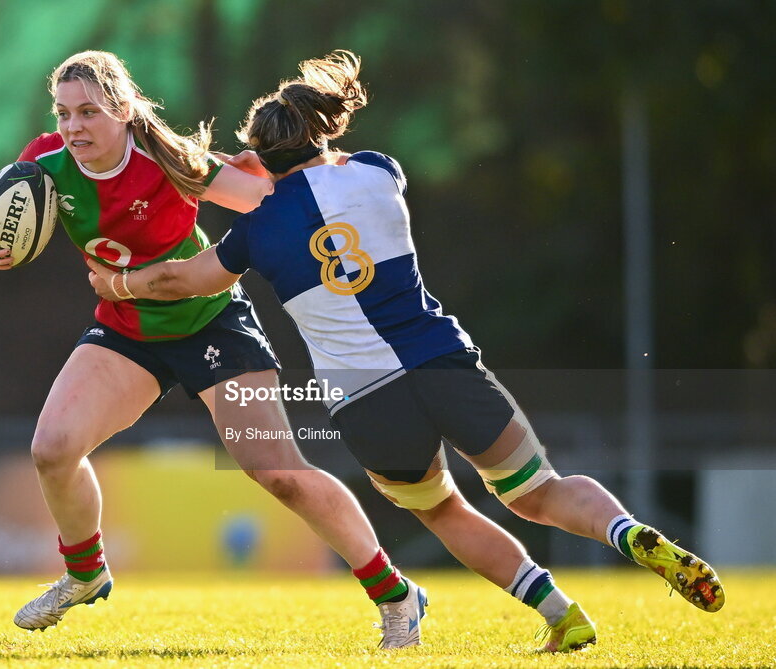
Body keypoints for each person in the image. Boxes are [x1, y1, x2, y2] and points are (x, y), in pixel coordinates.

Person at [89, 50, 726, 653]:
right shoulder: (378, 172)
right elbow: (310, 177)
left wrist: (118, 283)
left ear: (259, 154)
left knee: (445, 510)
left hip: (366, 400)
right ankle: (627, 532)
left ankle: (563, 616)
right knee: (539, 492)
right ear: (321, 130)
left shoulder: (253, 232)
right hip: (441, 361)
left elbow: (182, 279)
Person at [0, 50, 428, 650]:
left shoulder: (170, 161)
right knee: (52, 449)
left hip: (214, 324)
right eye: (64, 112)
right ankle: (85, 573)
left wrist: (281, 173)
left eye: (89, 112)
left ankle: (396, 596)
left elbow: (267, 199)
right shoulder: (44, 164)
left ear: (124, 110)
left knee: (279, 473)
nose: (73, 126)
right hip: (127, 329)